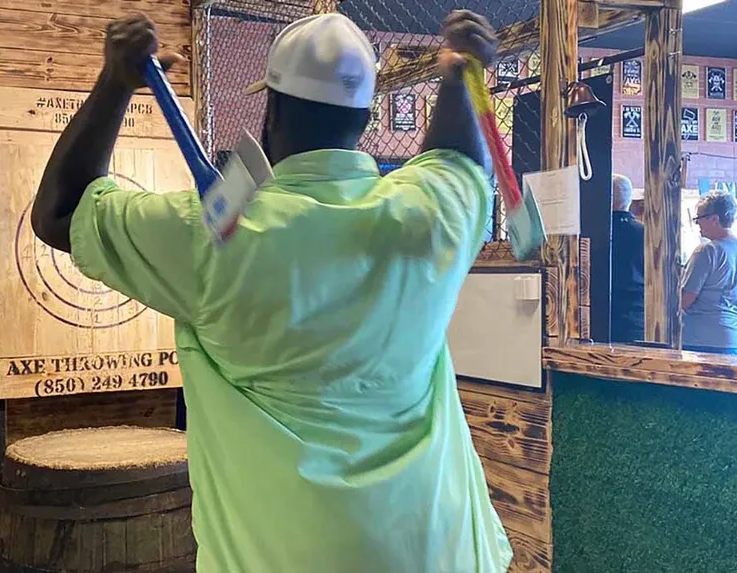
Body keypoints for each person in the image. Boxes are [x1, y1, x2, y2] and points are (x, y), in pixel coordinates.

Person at [31, 10, 513, 572]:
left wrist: (116, 83)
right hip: (437, 551)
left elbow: (59, 211)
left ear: (272, 110)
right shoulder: (429, 216)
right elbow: (454, 160)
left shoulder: (210, 237)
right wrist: (459, 77)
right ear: (367, 116)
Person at [682, 191, 737, 354]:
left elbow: (686, 299)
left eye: (698, 219)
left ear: (714, 219)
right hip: (733, 337)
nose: (697, 224)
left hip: (701, 337)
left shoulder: (707, 251)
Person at [610, 174, 644, 343]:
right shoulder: (646, 233)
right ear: (629, 200)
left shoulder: (593, 233)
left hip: (600, 318)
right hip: (638, 316)